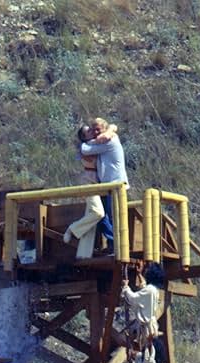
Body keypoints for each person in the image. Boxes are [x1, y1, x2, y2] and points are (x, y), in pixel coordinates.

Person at [80, 117, 128, 251]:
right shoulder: (104, 140)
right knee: (105, 215)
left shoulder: (109, 141)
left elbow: (85, 149)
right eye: (93, 129)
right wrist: (112, 128)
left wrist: (88, 141)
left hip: (114, 185)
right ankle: (113, 244)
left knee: (110, 216)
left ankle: (115, 245)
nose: (95, 132)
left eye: (98, 129)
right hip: (107, 186)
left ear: (105, 129)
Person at [63, 125, 107, 259]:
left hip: (98, 184)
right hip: (89, 183)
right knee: (98, 213)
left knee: (92, 219)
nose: (91, 132)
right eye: (88, 131)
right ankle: (73, 228)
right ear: (84, 137)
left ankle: (83, 255)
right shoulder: (87, 147)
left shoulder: (93, 145)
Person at [120, 268, 161, 350]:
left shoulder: (149, 290)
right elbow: (144, 287)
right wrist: (139, 274)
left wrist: (125, 287)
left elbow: (133, 298)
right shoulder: (154, 290)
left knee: (146, 351)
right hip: (150, 325)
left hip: (146, 328)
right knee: (148, 350)